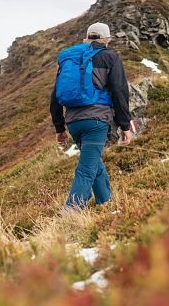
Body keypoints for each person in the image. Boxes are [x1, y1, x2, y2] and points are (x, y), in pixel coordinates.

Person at [50, 22, 132, 209]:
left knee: (94, 162)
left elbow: (54, 96)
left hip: (73, 122)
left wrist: (59, 127)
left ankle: (106, 203)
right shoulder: (109, 57)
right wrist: (125, 126)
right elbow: (120, 92)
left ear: (87, 38)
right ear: (106, 39)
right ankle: (71, 213)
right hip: (96, 121)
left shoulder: (70, 59)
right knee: (86, 169)